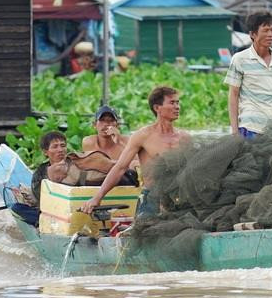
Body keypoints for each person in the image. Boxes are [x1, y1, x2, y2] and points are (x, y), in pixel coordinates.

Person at [80, 86, 190, 217]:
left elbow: (192, 171)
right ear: (157, 108)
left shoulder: (185, 137)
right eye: (172, 103)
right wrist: (97, 198)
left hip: (178, 197)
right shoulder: (143, 136)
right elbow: (120, 168)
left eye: (178, 103)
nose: (177, 107)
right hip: (152, 199)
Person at [225, 11, 272, 139]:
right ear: (253, 34)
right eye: (265, 30)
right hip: (249, 129)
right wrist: (234, 131)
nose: (270, 34)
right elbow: (233, 95)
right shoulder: (240, 59)